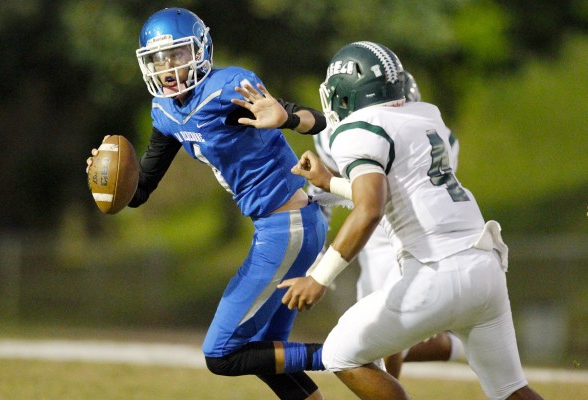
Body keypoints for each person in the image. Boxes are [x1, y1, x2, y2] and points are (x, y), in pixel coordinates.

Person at [86, 8, 331, 400]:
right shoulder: (165, 112)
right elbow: (141, 191)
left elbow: (315, 119)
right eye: (158, 60)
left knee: (222, 353)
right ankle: (341, 360)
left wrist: (286, 117)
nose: (168, 68)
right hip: (283, 226)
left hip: (288, 226)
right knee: (264, 354)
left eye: (177, 55)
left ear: (200, 50)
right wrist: (108, 180)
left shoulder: (228, 87)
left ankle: (342, 353)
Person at [278, 41, 544, 400]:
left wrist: (318, 278)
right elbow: (391, 189)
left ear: (344, 93)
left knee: (338, 352)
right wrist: (329, 182)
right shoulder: (425, 116)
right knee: (512, 390)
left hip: (436, 271)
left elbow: (370, 208)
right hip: (485, 266)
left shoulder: (358, 128)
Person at [233, 71, 466, 379]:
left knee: (383, 328)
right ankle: (460, 346)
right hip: (372, 229)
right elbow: (330, 191)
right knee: (379, 330)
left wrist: (321, 270)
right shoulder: (340, 132)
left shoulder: (431, 136)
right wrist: (317, 249)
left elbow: (388, 199)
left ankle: (453, 348)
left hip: (406, 230)